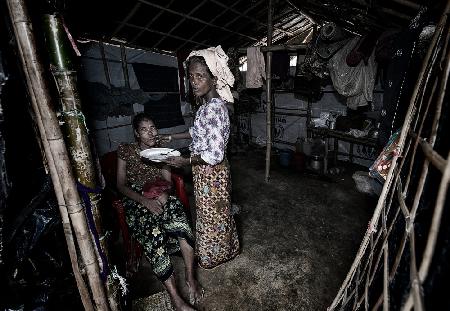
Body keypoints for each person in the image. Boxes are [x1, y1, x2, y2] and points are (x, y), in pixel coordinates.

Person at [162, 46, 240, 269]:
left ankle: (211, 256)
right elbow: (196, 132)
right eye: (192, 76)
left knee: (211, 217)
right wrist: (169, 137)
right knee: (217, 215)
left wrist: (185, 161)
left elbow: (214, 155)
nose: (194, 82)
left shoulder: (215, 109)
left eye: (200, 76)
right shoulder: (207, 107)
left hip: (211, 173)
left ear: (214, 79)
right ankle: (228, 249)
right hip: (206, 171)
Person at [116, 113, 203, 311]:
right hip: (136, 199)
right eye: (144, 129)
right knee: (152, 234)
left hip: (159, 193)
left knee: (180, 218)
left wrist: (163, 192)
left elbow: (169, 183)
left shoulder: (163, 152)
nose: (150, 132)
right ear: (137, 133)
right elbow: (120, 185)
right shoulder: (126, 151)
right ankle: (176, 299)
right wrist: (144, 200)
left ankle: (190, 276)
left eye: (153, 127)